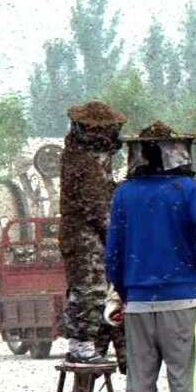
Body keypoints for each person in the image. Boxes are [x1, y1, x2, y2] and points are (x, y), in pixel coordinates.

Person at [105, 123, 196, 392]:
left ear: (139, 153)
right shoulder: (185, 188)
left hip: (138, 304)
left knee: (138, 385)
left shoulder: (123, 194)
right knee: (183, 384)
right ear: (174, 151)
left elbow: (112, 251)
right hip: (182, 302)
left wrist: (123, 291)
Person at [59, 101, 126, 365]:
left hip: (87, 232)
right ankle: (80, 346)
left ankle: (89, 344)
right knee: (89, 289)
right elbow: (98, 207)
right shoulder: (83, 162)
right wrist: (117, 239)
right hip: (82, 234)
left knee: (97, 289)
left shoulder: (88, 157)